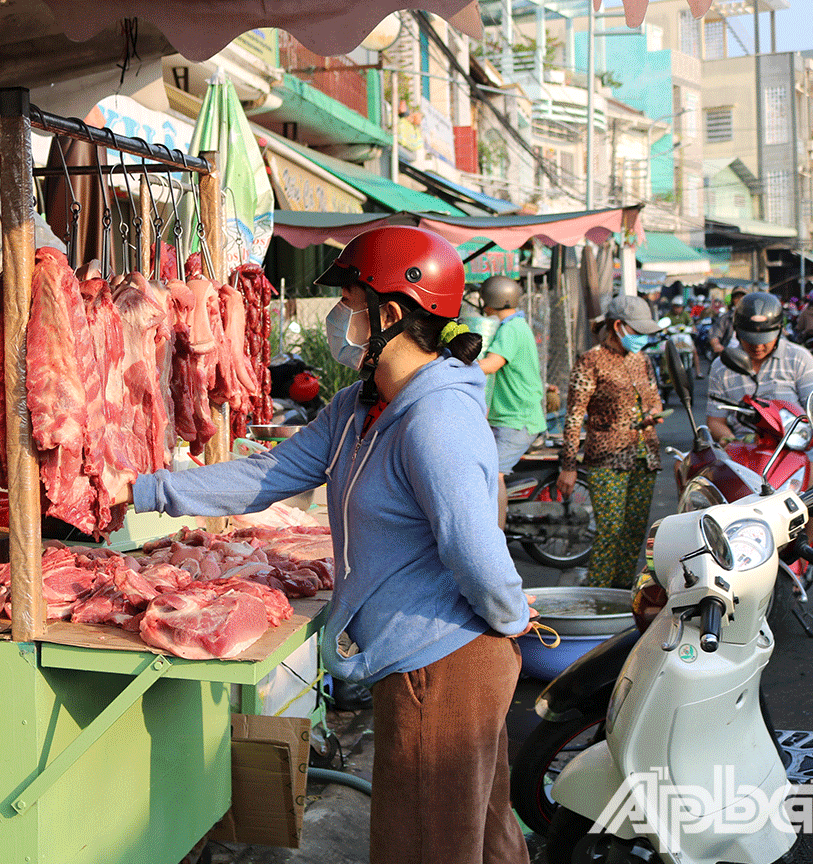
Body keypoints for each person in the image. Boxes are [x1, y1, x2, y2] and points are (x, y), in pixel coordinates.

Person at [125, 226, 532, 864]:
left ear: (392, 313)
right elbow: (267, 476)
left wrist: (510, 620)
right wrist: (141, 489)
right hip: (422, 662)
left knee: (425, 847)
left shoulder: (438, 420)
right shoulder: (358, 407)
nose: (343, 318)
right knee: (478, 840)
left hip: (444, 665)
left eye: (350, 302)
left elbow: (474, 549)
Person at [557, 295, 665, 589]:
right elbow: (574, 416)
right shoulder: (590, 361)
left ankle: (621, 598)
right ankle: (598, 598)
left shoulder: (641, 360)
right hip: (607, 459)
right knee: (610, 532)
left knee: (634, 533)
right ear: (618, 326)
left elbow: (654, 397)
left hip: (645, 456)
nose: (643, 338)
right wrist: (568, 465)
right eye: (638, 331)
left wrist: (654, 412)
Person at [705, 292, 813, 534]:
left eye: (765, 338)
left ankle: (805, 554)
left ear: (779, 330)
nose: (758, 345)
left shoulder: (799, 358)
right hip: (742, 448)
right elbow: (715, 421)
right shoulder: (721, 367)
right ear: (737, 331)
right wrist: (730, 439)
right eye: (751, 338)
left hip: (792, 446)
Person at [476, 275, 546, 527]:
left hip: (516, 420)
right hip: (511, 417)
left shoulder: (511, 329)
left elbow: (492, 364)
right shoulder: (518, 325)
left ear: (489, 303)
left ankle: (495, 536)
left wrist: (455, 366)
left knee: (493, 475)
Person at [709, 288, 748, 356]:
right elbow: (714, 335)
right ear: (733, 300)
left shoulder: (752, 317)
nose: (740, 300)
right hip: (729, 354)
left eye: (743, 297)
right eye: (737, 297)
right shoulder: (725, 318)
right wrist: (717, 345)